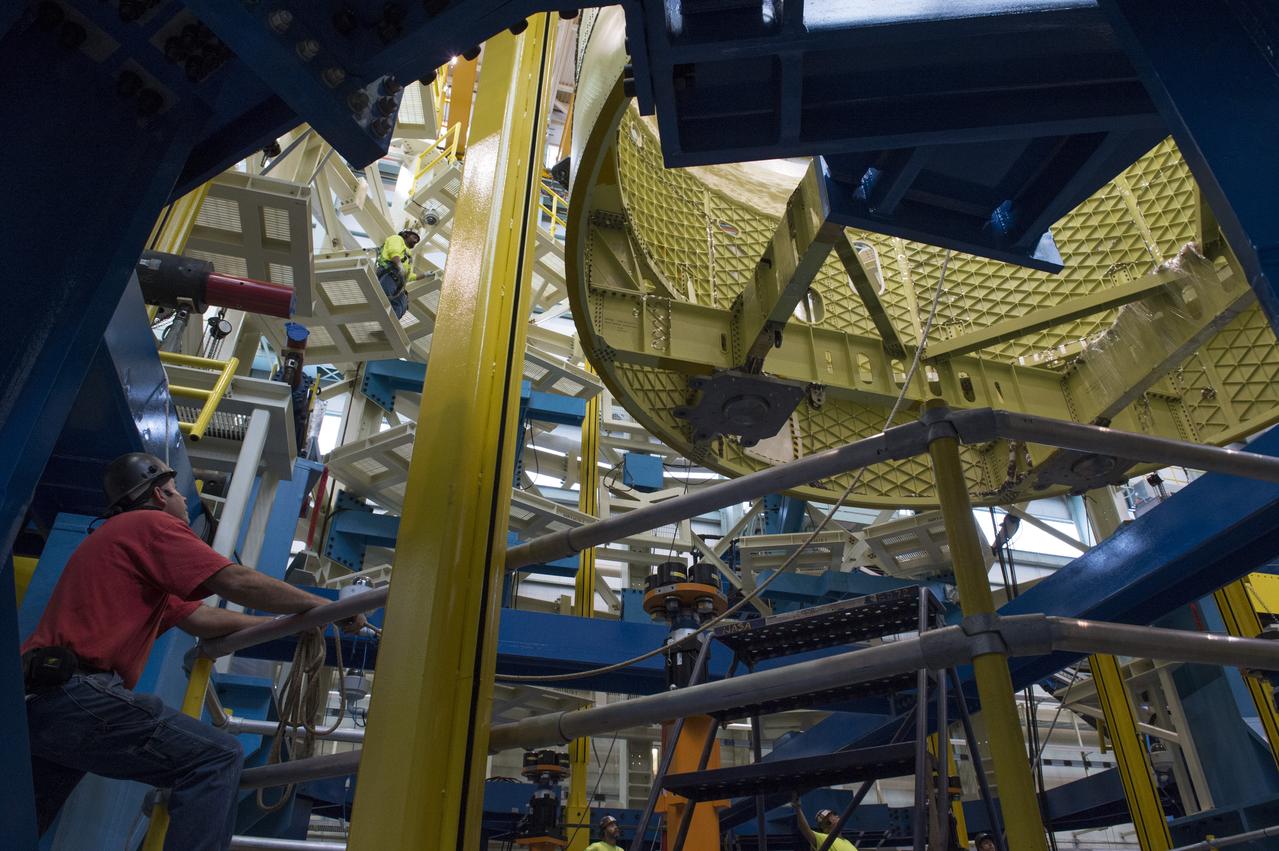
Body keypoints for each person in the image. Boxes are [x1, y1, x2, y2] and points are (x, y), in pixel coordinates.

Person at [21, 452, 368, 850]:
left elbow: (200, 621)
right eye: (179, 493)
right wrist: (326, 608)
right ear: (158, 493)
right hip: (76, 695)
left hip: (43, 701)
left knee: (24, 824)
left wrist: (297, 624)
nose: (186, 501)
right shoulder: (150, 525)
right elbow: (236, 581)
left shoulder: (124, 545)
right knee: (214, 759)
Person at [376, 228, 420, 318]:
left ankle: (390, 324)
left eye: (417, 240)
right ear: (406, 235)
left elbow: (409, 276)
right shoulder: (397, 238)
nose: (416, 241)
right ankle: (383, 322)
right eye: (414, 237)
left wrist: (426, 275)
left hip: (399, 283)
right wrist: (399, 264)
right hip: (390, 275)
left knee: (401, 305)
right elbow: (393, 252)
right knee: (385, 301)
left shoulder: (408, 255)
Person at [792, 794, 858, 851]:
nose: (837, 816)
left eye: (834, 814)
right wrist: (798, 808)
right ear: (826, 825)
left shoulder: (847, 842)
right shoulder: (824, 839)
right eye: (832, 816)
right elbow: (805, 829)